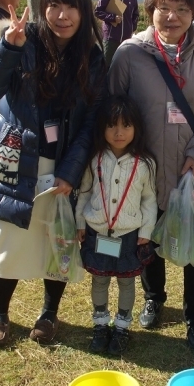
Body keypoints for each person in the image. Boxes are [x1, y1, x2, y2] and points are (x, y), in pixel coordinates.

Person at [0, 0, 107, 348]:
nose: (62, 15)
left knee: (56, 241)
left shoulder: (92, 56)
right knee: (8, 240)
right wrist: (8, 49)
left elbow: (91, 120)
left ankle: (48, 313)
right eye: (54, 5)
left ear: (84, 11)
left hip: (60, 168)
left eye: (71, 6)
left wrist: (70, 172)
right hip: (19, 159)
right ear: (43, 8)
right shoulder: (23, 40)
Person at [108, 0, 194, 350]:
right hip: (143, 172)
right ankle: (154, 299)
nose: (172, 17)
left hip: (192, 172)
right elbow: (114, 107)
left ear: (193, 13)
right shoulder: (130, 53)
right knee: (146, 241)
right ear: (150, 10)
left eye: (182, 9)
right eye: (164, 8)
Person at [76, 95, 157, 355]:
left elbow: (149, 200)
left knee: (126, 282)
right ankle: (100, 324)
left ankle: (122, 327)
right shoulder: (95, 159)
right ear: (102, 128)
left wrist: (146, 231)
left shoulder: (145, 164)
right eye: (112, 125)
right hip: (97, 232)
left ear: (136, 128)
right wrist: (79, 222)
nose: (119, 132)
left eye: (126, 125)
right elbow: (85, 192)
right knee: (99, 281)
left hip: (129, 235)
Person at [94, 0, 139, 66]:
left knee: (122, 66)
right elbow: (97, 11)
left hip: (126, 39)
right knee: (107, 66)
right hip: (111, 38)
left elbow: (136, 15)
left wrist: (132, 27)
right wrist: (112, 18)